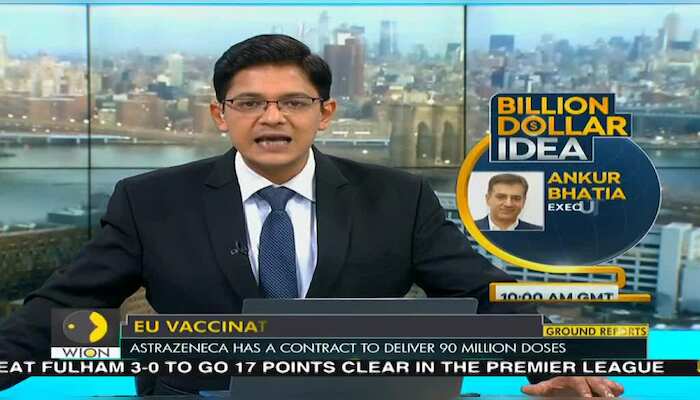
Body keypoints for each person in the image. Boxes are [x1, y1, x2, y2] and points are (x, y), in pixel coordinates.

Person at [0, 34, 621, 398]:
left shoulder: (397, 197)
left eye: (294, 102)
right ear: (220, 115)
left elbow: (482, 293)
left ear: (325, 114)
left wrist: (558, 360)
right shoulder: (151, 201)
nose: (272, 118)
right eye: (249, 103)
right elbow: (61, 308)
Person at [475, 173, 543, 231]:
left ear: (524, 202)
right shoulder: (470, 229)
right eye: (501, 197)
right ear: (488, 199)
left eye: (516, 198)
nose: (508, 204)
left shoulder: (539, 232)